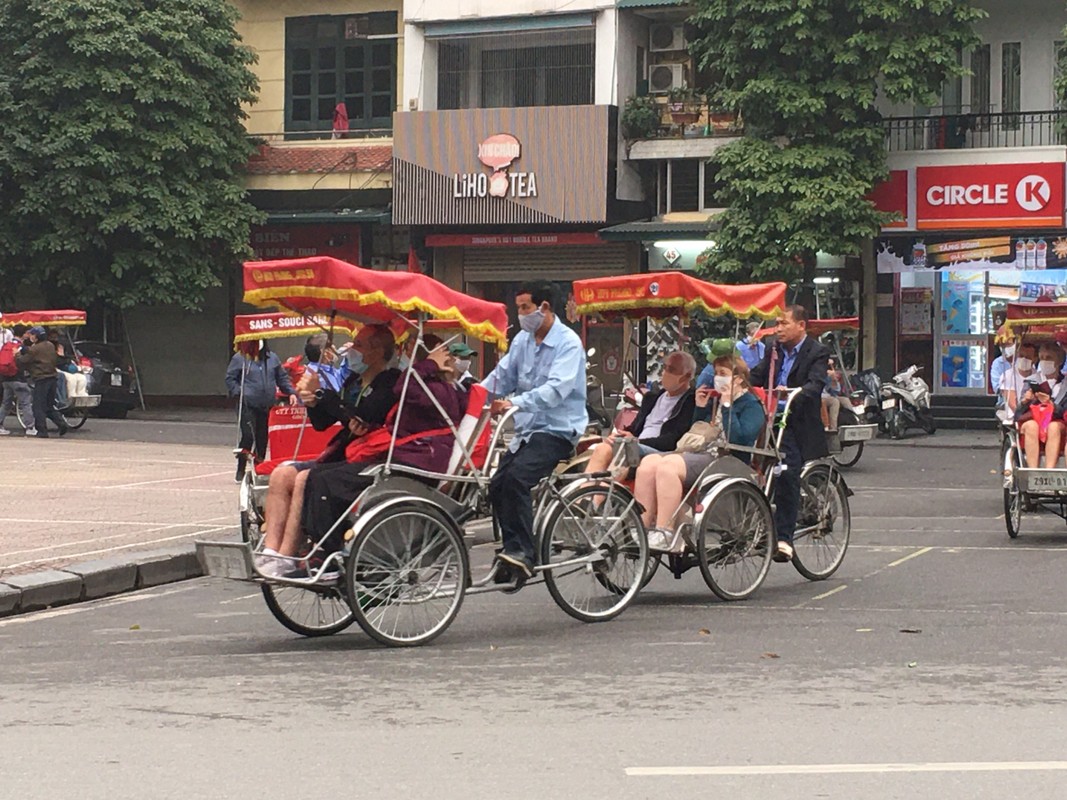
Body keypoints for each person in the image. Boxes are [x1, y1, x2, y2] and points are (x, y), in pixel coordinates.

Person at [283, 335, 465, 578]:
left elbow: (404, 387)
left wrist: (428, 364)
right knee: (319, 476)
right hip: (400, 454)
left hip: (416, 461)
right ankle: (315, 549)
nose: (405, 353)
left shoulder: (436, 388)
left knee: (323, 480)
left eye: (410, 348)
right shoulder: (412, 382)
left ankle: (330, 551)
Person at [257, 324, 400, 571]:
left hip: (368, 455)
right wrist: (312, 401)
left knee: (304, 478)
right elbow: (324, 423)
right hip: (341, 451)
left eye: (359, 346)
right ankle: (271, 550)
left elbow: (361, 419)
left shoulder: (391, 382)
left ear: (376, 351)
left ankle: (288, 554)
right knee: (281, 474)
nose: (352, 351)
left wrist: (323, 395)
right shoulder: (352, 379)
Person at [481, 282, 587, 583]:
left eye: (525, 308)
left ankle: (524, 552)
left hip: (557, 429)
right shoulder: (522, 341)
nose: (522, 315)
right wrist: (475, 394)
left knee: (517, 479)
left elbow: (555, 390)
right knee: (497, 483)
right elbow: (502, 376)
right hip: (527, 430)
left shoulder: (568, 343)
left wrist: (513, 402)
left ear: (544, 308)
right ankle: (511, 547)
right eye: (519, 309)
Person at [634, 355, 764, 552]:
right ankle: (641, 529)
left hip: (728, 459)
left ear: (737, 379)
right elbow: (698, 432)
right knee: (649, 463)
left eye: (723, 374)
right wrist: (700, 408)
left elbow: (739, 438)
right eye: (716, 374)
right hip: (702, 453)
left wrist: (728, 404)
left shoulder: (751, 404)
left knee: (667, 467)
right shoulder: (716, 400)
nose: (716, 379)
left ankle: (665, 531)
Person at [750, 304, 830, 563]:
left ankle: (784, 537)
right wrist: (736, 379)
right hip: (770, 418)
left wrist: (793, 392)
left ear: (801, 325)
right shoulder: (773, 348)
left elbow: (816, 384)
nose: (779, 329)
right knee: (749, 466)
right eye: (777, 323)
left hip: (796, 422)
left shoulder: (816, 351)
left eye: (784, 323)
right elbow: (759, 375)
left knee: (786, 472)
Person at [583, 350, 696, 476]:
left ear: (687, 376)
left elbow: (673, 439)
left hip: (660, 452)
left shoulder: (691, 402)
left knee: (623, 450)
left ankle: (605, 490)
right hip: (637, 445)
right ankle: (585, 491)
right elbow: (635, 428)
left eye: (672, 370)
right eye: (665, 368)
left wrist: (636, 442)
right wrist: (621, 435)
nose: (665, 373)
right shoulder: (651, 398)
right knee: (601, 448)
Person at [225, 340, 297, 481]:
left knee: (262, 439)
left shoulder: (272, 358)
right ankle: (241, 468)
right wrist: (239, 392)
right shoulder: (240, 358)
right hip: (247, 404)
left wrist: (291, 392)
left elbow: (281, 378)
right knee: (248, 436)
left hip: (266, 405)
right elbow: (230, 378)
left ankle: (259, 469)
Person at [16, 326, 69, 438]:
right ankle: (61, 423)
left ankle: (42, 431)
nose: (31, 337)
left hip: (41, 379)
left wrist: (17, 354)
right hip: (53, 378)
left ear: (36, 336)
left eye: (32, 335)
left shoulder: (35, 349)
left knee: (38, 407)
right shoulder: (50, 345)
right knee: (49, 406)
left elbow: (23, 360)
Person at [1015, 374, 1067, 469]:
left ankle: (1049, 470)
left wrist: (1050, 403)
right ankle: (1033, 471)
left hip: (1055, 420)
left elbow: (1064, 412)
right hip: (1031, 419)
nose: (1045, 361)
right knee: (1032, 426)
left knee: (1053, 427)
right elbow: (1017, 412)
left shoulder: (1064, 384)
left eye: (1049, 358)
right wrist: (1025, 401)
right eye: (1042, 358)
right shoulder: (1030, 381)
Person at [0, 324, 35, 436]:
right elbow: (29, 361)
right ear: (24, 334)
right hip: (18, 378)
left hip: (5, 378)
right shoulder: (22, 347)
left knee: (6, 404)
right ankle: (30, 427)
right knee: (25, 403)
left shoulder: (6, 345)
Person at [998, 343, 1035, 424]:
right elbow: (1013, 407)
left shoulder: (1038, 376)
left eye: (1028, 357)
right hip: (1016, 416)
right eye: (1021, 356)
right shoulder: (1008, 376)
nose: (1024, 359)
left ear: (1034, 359)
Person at [821, 357, 852, 431]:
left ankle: (852, 421)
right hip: (820, 396)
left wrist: (834, 381)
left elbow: (836, 392)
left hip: (829, 395)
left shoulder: (829, 375)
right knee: (834, 401)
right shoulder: (818, 372)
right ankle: (833, 428)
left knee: (845, 400)